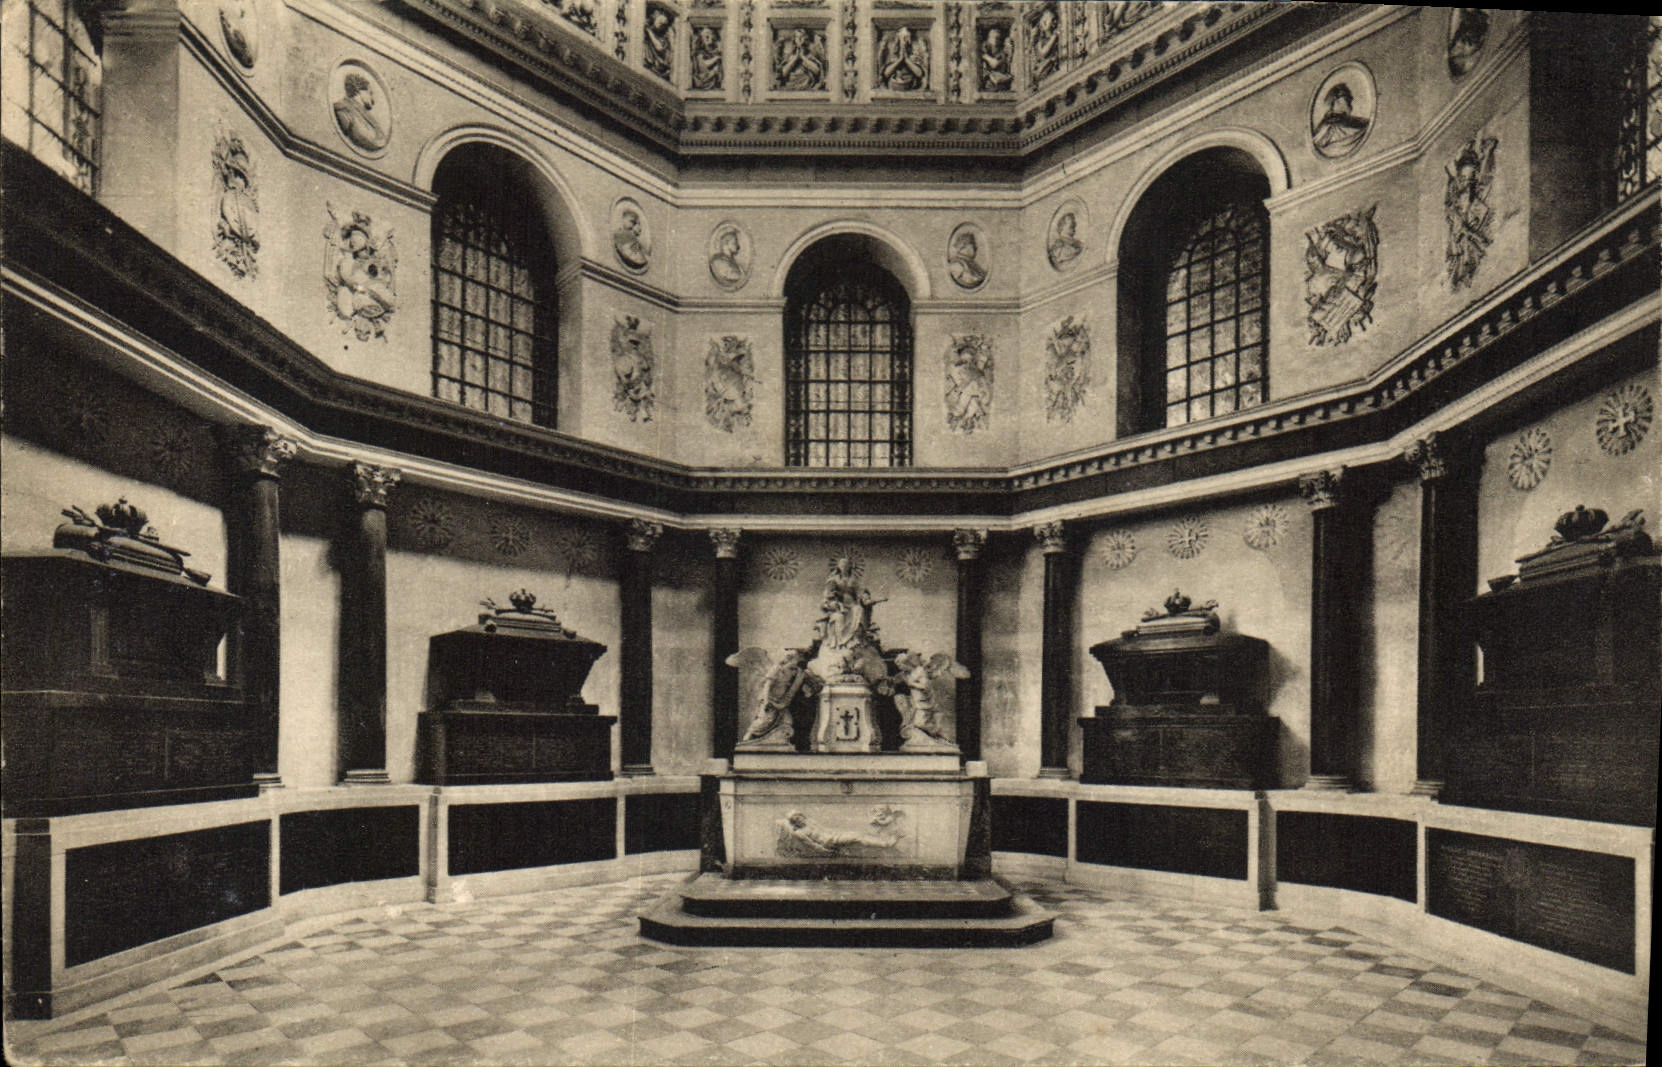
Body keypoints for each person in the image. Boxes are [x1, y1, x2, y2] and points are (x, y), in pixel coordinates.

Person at [332, 72, 388, 154]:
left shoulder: (364, 114)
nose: (373, 100)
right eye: (370, 93)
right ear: (359, 91)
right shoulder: (342, 108)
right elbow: (365, 137)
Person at [1311, 82, 1369, 157]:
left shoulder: (1356, 121)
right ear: (1336, 101)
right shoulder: (1328, 126)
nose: (1351, 99)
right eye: (1346, 96)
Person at [879, 26, 928, 92]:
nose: (904, 42)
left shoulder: (914, 53)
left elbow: (919, 73)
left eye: (906, 38)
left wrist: (906, 59)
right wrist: (900, 59)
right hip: (895, 83)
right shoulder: (892, 53)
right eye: (902, 38)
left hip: (910, 83)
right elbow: (886, 73)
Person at [979, 25, 1013, 93]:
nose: (995, 40)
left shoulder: (1002, 53)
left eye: (997, 38)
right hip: (989, 83)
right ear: (988, 39)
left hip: (999, 80)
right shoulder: (985, 50)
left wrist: (985, 56)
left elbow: (994, 64)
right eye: (992, 38)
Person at [643, 8, 673, 79]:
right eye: (660, 23)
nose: (662, 26)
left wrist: (649, 31)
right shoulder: (649, 32)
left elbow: (659, 48)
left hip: (660, 66)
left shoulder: (665, 38)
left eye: (664, 25)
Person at [690, 25, 723, 91]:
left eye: (709, 34)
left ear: (713, 37)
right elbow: (704, 64)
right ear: (701, 39)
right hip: (702, 79)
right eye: (704, 35)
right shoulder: (699, 53)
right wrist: (716, 58)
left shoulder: (715, 51)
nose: (707, 37)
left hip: (713, 81)